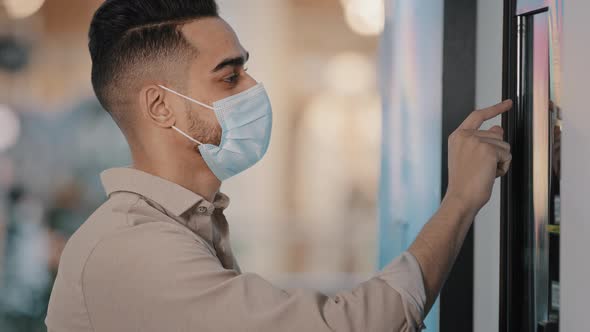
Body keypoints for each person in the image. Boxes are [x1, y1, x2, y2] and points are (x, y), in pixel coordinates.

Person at [45, 1, 512, 331]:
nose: (252, 87)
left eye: (245, 69)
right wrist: (459, 201)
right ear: (161, 108)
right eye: (230, 76)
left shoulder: (183, 227)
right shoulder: (133, 247)